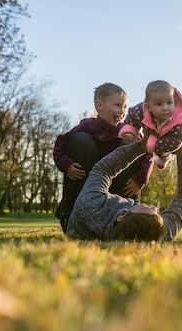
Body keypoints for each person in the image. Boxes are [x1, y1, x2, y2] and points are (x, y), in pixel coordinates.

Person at [53, 82, 154, 232]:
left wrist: (140, 179)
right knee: (81, 139)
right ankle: (69, 213)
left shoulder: (128, 131)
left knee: (129, 143)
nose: (122, 111)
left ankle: (130, 211)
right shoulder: (87, 126)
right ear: (99, 106)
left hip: (117, 189)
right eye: (118, 105)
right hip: (89, 187)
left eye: (125, 107)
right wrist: (66, 165)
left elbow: (148, 153)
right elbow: (60, 145)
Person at [66, 134, 182, 242]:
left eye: (144, 208)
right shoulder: (159, 231)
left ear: (121, 217)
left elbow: (102, 170)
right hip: (113, 206)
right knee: (128, 142)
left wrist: (141, 145)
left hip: (81, 210)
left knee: (82, 140)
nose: (155, 208)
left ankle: (64, 213)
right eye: (157, 212)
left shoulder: (90, 206)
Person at [120, 80, 182, 173]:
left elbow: (175, 140)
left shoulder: (178, 119)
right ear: (148, 106)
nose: (165, 108)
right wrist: (130, 130)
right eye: (159, 104)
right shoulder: (140, 111)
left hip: (177, 137)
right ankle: (164, 156)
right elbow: (132, 116)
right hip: (157, 133)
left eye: (169, 103)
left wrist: (154, 144)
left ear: (175, 101)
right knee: (152, 140)